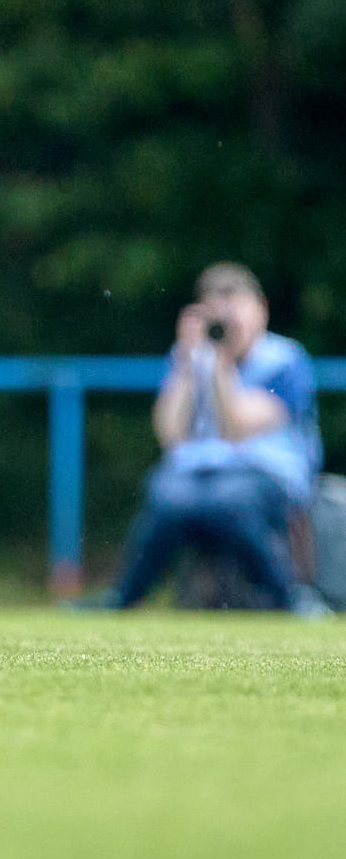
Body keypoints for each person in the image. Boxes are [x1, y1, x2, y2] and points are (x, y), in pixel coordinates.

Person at [86, 262, 326, 615]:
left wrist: (220, 365)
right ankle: (123, 599)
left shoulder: (285, 359)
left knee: (231, 502)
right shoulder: (190, 359)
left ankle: (287, 599)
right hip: (200, 473)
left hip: (266, 472)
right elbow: (169, 433)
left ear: (261, 310)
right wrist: (188, 360)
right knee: (166, 496)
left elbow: (237, 426)